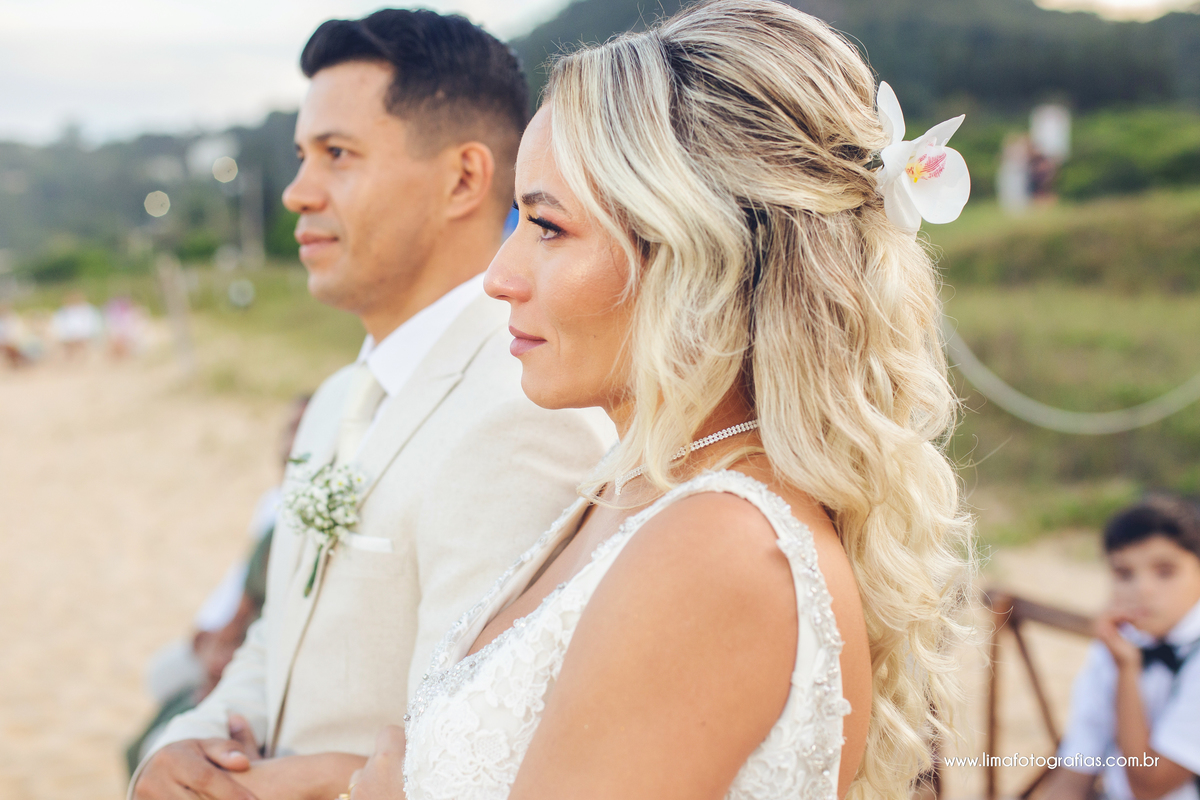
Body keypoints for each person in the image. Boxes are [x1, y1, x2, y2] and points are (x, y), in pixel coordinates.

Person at [340, 2, 975, 799]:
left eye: (546, 226)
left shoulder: (722, 552)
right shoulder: (633, 491)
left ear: (696, 257)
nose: (500, 276)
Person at [129, 9, 613, 799]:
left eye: (337, 156)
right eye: (299, 157)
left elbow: (487, 750)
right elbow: (275, 641)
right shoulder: (334, 400)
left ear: (463, 178)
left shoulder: (528, 408)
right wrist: (187, 744)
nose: (296, 192)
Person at [125, 395, 309, 776]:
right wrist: (215, 646)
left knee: (153, 743)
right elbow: (241, 602)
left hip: (264, 668)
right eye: (289, 430)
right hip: (237, 652)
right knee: (162, 684)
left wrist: (225, 664)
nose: (292, 444)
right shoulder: (274, 518)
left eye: (304, 432)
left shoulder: (308, 526)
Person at [1036, 496, 1200, 800]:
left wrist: (1127, 669)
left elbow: (1148, 786)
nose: (1142, 589)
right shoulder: (1117, 644)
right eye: (1124, 574)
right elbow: (1076, 771)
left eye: (1165, 571)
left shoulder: (1126, 654)